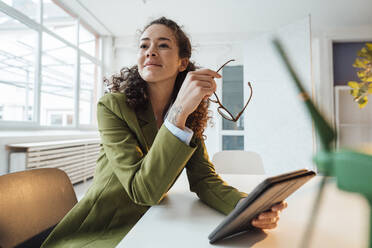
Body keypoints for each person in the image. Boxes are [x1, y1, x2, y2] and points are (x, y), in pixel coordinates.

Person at [41, 17, 287, 248]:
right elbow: (143, 191)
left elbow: (204, 179)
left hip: (155, 221)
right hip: (103, 230)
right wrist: (178, 113)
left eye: (163, 45)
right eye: (144, 45)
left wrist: (244, 206)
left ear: (182, 63)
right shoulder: (112, 107)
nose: (150, 51)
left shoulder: (188, 116)